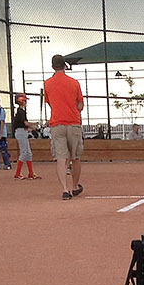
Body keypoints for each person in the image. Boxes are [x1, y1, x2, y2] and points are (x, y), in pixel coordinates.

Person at [43, 54, 85, 200]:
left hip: (56, 123)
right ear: (65, 66)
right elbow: (80, 104)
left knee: (60, 158)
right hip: (73, 122)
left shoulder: (47, 83)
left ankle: (65, 190)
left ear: (53, 66)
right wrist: (74, 109)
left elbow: (49, 102)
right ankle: (75, 186)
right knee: (76, 157)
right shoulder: (74, 82)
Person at [12, 93, 39, 180]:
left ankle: (31, 173)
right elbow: (25, 123)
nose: (25, 102)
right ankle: (17, 174)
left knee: (29, 153)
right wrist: (34, 125)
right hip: (20, 133)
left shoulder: (22, 111)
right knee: (24, 153)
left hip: (23, 132)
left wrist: (32, 128)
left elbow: (25, 125)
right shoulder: (20, 111)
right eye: (24, 100)